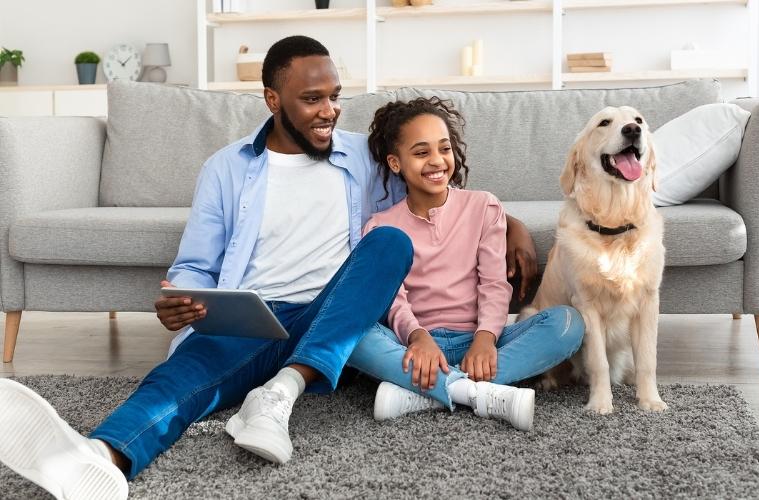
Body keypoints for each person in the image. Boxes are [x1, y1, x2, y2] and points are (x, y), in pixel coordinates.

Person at [0, 36, 539, 499]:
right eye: (311, 99)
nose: (328, 110)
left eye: (334, 97)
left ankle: (281, 391)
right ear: (272, 99)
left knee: (390, 245)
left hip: (335, 317)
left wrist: (510, 221)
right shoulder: (227, 168)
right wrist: (181, 301)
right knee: (176, 385)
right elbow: (194, 264)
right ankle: (100, 459)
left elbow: (438, 189)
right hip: (253, 318)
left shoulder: (366, 157)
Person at [347, 97, 585, 431]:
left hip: (479, 341)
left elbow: (493, 283)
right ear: (395, 162)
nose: (436, 161)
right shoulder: (379, 227)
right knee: (349, 330)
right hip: (414, 345)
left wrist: (486, 339)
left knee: (569, 323)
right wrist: (418, 337)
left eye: (444, 149)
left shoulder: (483, 206)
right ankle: (472, 391)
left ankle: (424, 393)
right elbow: (393, 300)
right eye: (420, 152)